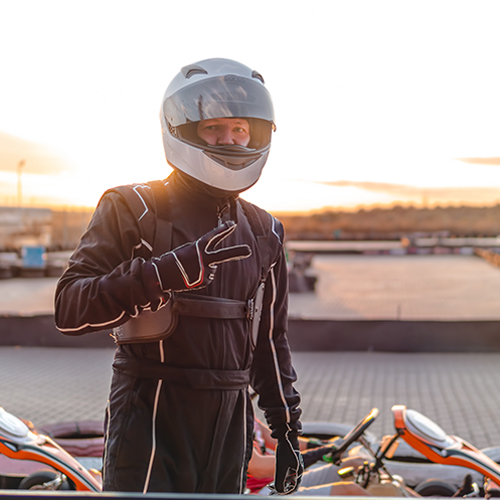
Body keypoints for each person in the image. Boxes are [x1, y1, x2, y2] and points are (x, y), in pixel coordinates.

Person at [54, 58, 303, 495]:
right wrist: (161, 274)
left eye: (240, 129)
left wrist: (286, 431)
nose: (229, 139)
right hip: (150, 412)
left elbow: (269, 340)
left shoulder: (266, 230)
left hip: (231, 421)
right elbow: (70, 309)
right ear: (183, 129)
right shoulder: (133, 207)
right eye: (213, 128)